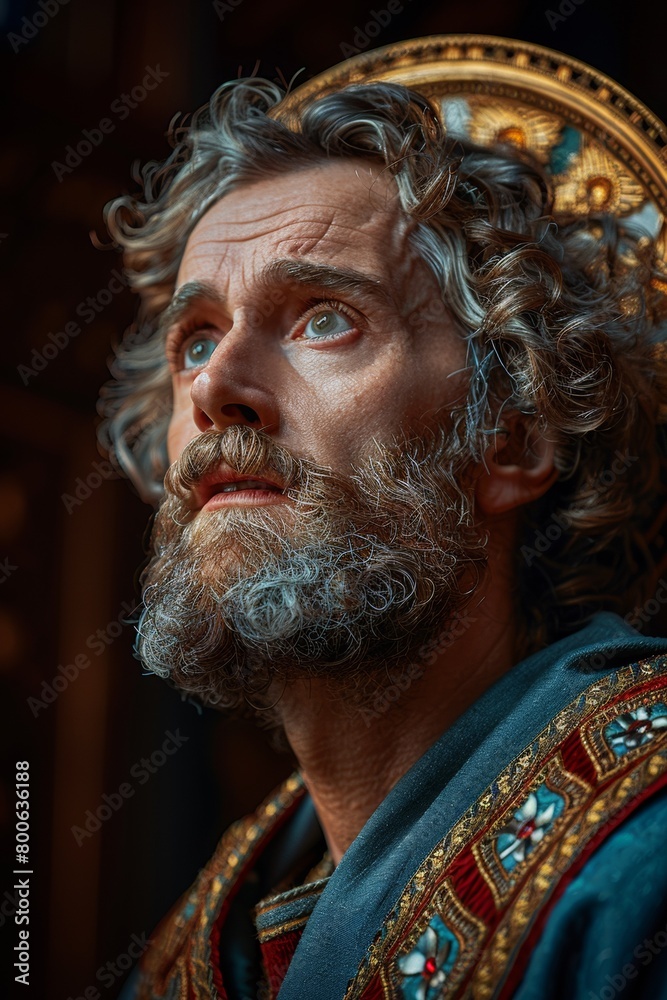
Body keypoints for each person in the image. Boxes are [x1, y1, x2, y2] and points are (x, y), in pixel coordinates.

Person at [100, 35, 667, 1000]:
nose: (217, 388)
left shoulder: (646, 855)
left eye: (324, 317)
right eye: (195, 338)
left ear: (513, 439)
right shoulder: (196, 940)